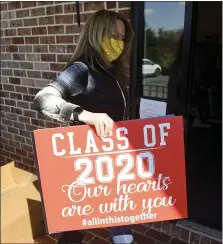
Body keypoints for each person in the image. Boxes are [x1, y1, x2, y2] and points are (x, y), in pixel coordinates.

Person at [33, 9, 135, 244]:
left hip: (111, 162)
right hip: (86, 166)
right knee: (75, 228)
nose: (118, 43)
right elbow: (43, 100)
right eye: (112, 36)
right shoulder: (82, 69)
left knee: (120, 219)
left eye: (121, 38)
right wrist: (86, 115)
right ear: (96, 34)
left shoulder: (112, 71)